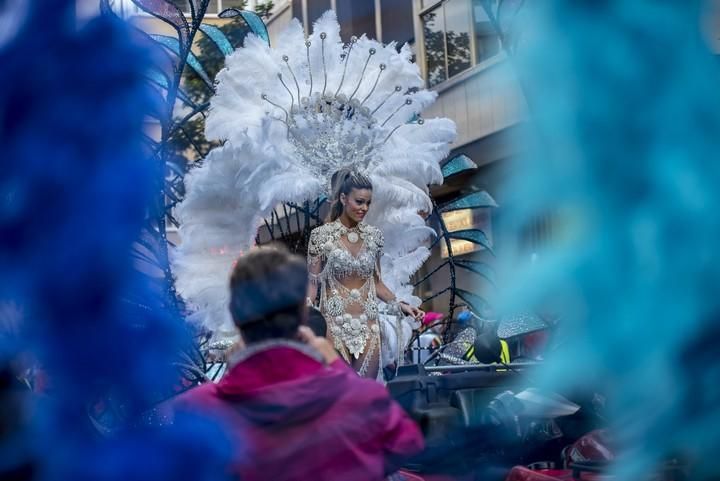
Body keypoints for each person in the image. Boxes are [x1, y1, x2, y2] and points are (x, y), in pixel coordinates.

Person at [173, 245, 424, 481]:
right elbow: (406, 444)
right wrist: (336, 367)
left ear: (236, 316)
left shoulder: (196, 410)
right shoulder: (362, 400)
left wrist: (234, 371)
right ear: (302, 314)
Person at [306, 169, 425, 380]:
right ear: (343, 198)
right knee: (339, 393)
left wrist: (400, 304)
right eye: (359, 202)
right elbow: (313, 283)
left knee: (366, 394)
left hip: (368, 327)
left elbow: (376, 282)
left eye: (368, 203)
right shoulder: (320, 236)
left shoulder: (373, 237)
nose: (364, 208)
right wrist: (304, 314)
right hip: (333, 325)